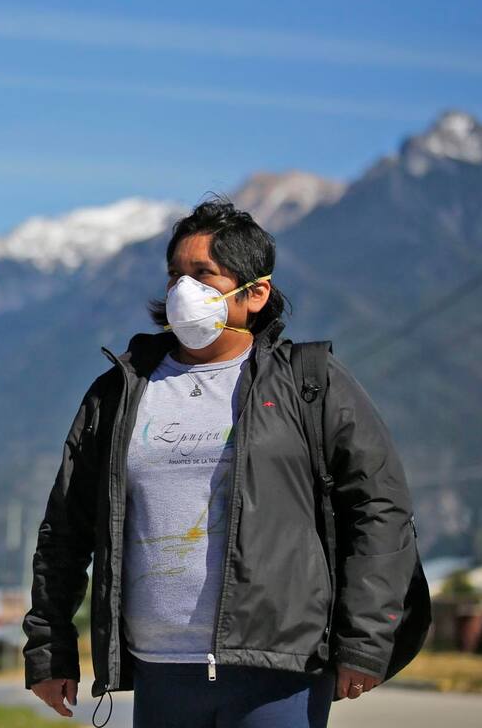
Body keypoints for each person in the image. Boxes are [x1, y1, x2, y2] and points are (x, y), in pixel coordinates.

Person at [23, 198, 422, 727]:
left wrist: (365, 639)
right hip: (159, 670)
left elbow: (380, 511)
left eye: (203, 275)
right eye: (174, 275)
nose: (183, 290)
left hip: (282, 669)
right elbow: (66, 528)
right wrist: (49, 648)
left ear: (256, 292)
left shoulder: (312, 385)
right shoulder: (120, 393)